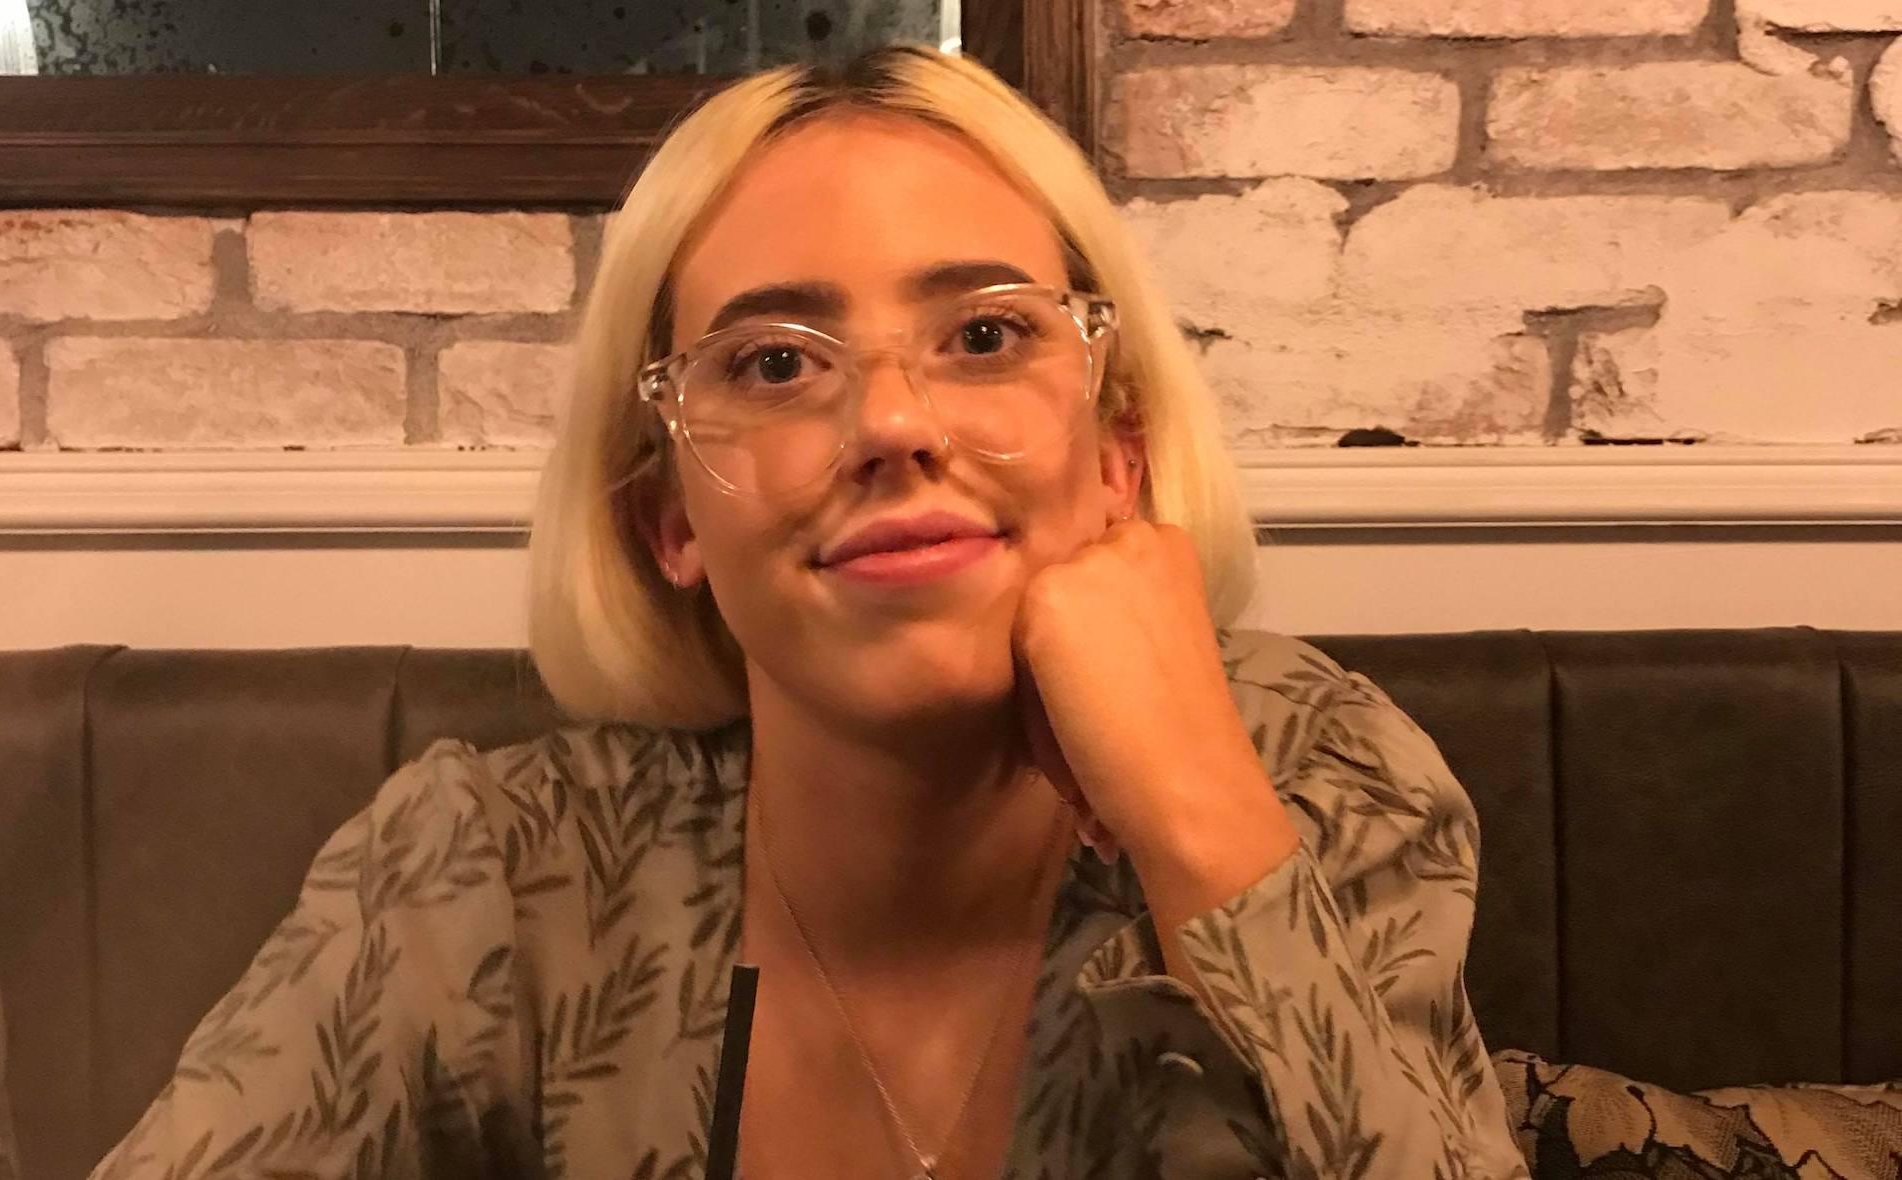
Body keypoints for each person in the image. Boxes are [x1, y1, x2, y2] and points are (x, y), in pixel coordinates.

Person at [91, 45, 1530, 1180]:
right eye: (775, 364)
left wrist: (1203, 826)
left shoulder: (1320, 781)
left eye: (984, 334)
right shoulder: (489, 874)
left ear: (1118, 456)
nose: (891, 422)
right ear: (667, 521)